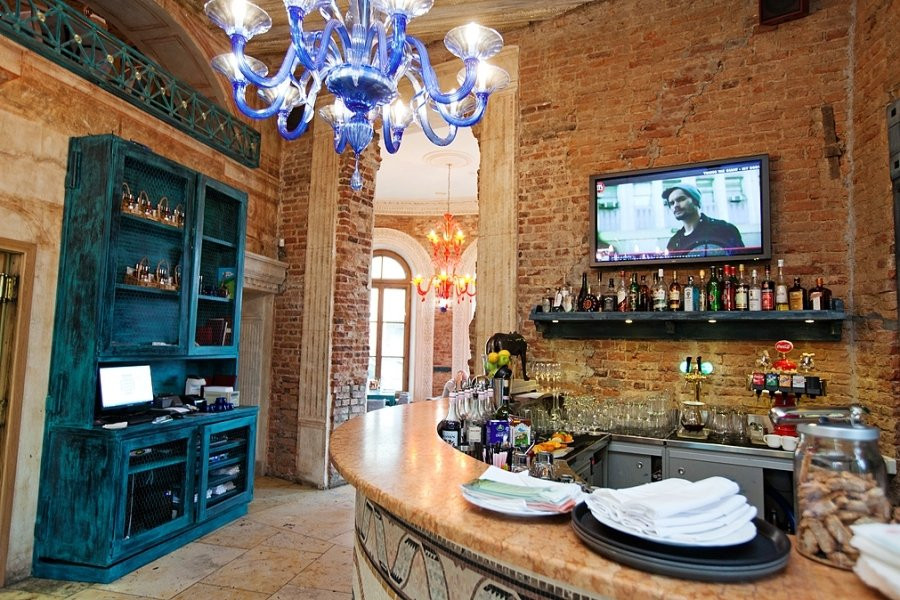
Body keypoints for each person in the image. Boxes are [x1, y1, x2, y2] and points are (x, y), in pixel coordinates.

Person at [663, 184, 744, 255]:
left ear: (696, 201)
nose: (675, 205)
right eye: (671, 203)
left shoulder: (724, 229)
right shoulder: (674, 241)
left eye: (681, 199)